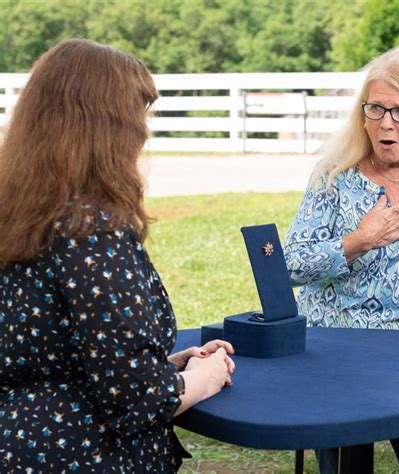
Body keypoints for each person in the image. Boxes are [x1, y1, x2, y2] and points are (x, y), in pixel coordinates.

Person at [0, 38, 235, 473]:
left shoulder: (22, 216)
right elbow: (137, 397)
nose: (143, 132)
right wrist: (205, 378)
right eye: (137, 115)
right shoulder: (91, 232)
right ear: (107, 126)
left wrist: (167, 364)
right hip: (83, 454)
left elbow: (55, 352)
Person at [284, 49, 399, 474]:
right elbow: (289, 265)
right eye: (376, 108)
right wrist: (357, 242)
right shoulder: (333, 174)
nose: (386, 123)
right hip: (337, 355)